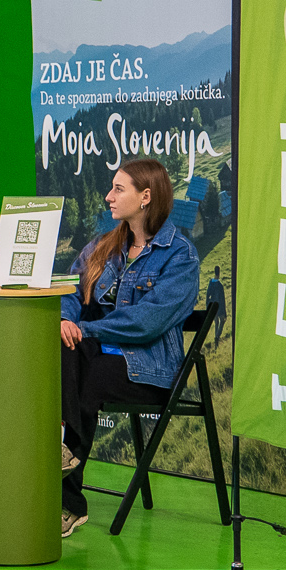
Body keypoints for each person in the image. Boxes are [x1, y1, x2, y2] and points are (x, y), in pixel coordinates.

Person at [58, 158, 198, 537]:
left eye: (118, 189)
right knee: (64, 346)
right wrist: (67, 320)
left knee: (85, 372)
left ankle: (67, 499)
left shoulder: (180, 256)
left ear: (146, 197)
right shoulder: (106, 245)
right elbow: (70, 288)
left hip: (147, 370)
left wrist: (85, 329)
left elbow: (145, 321)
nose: (109, 196)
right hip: (98, 357)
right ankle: (62, 460)